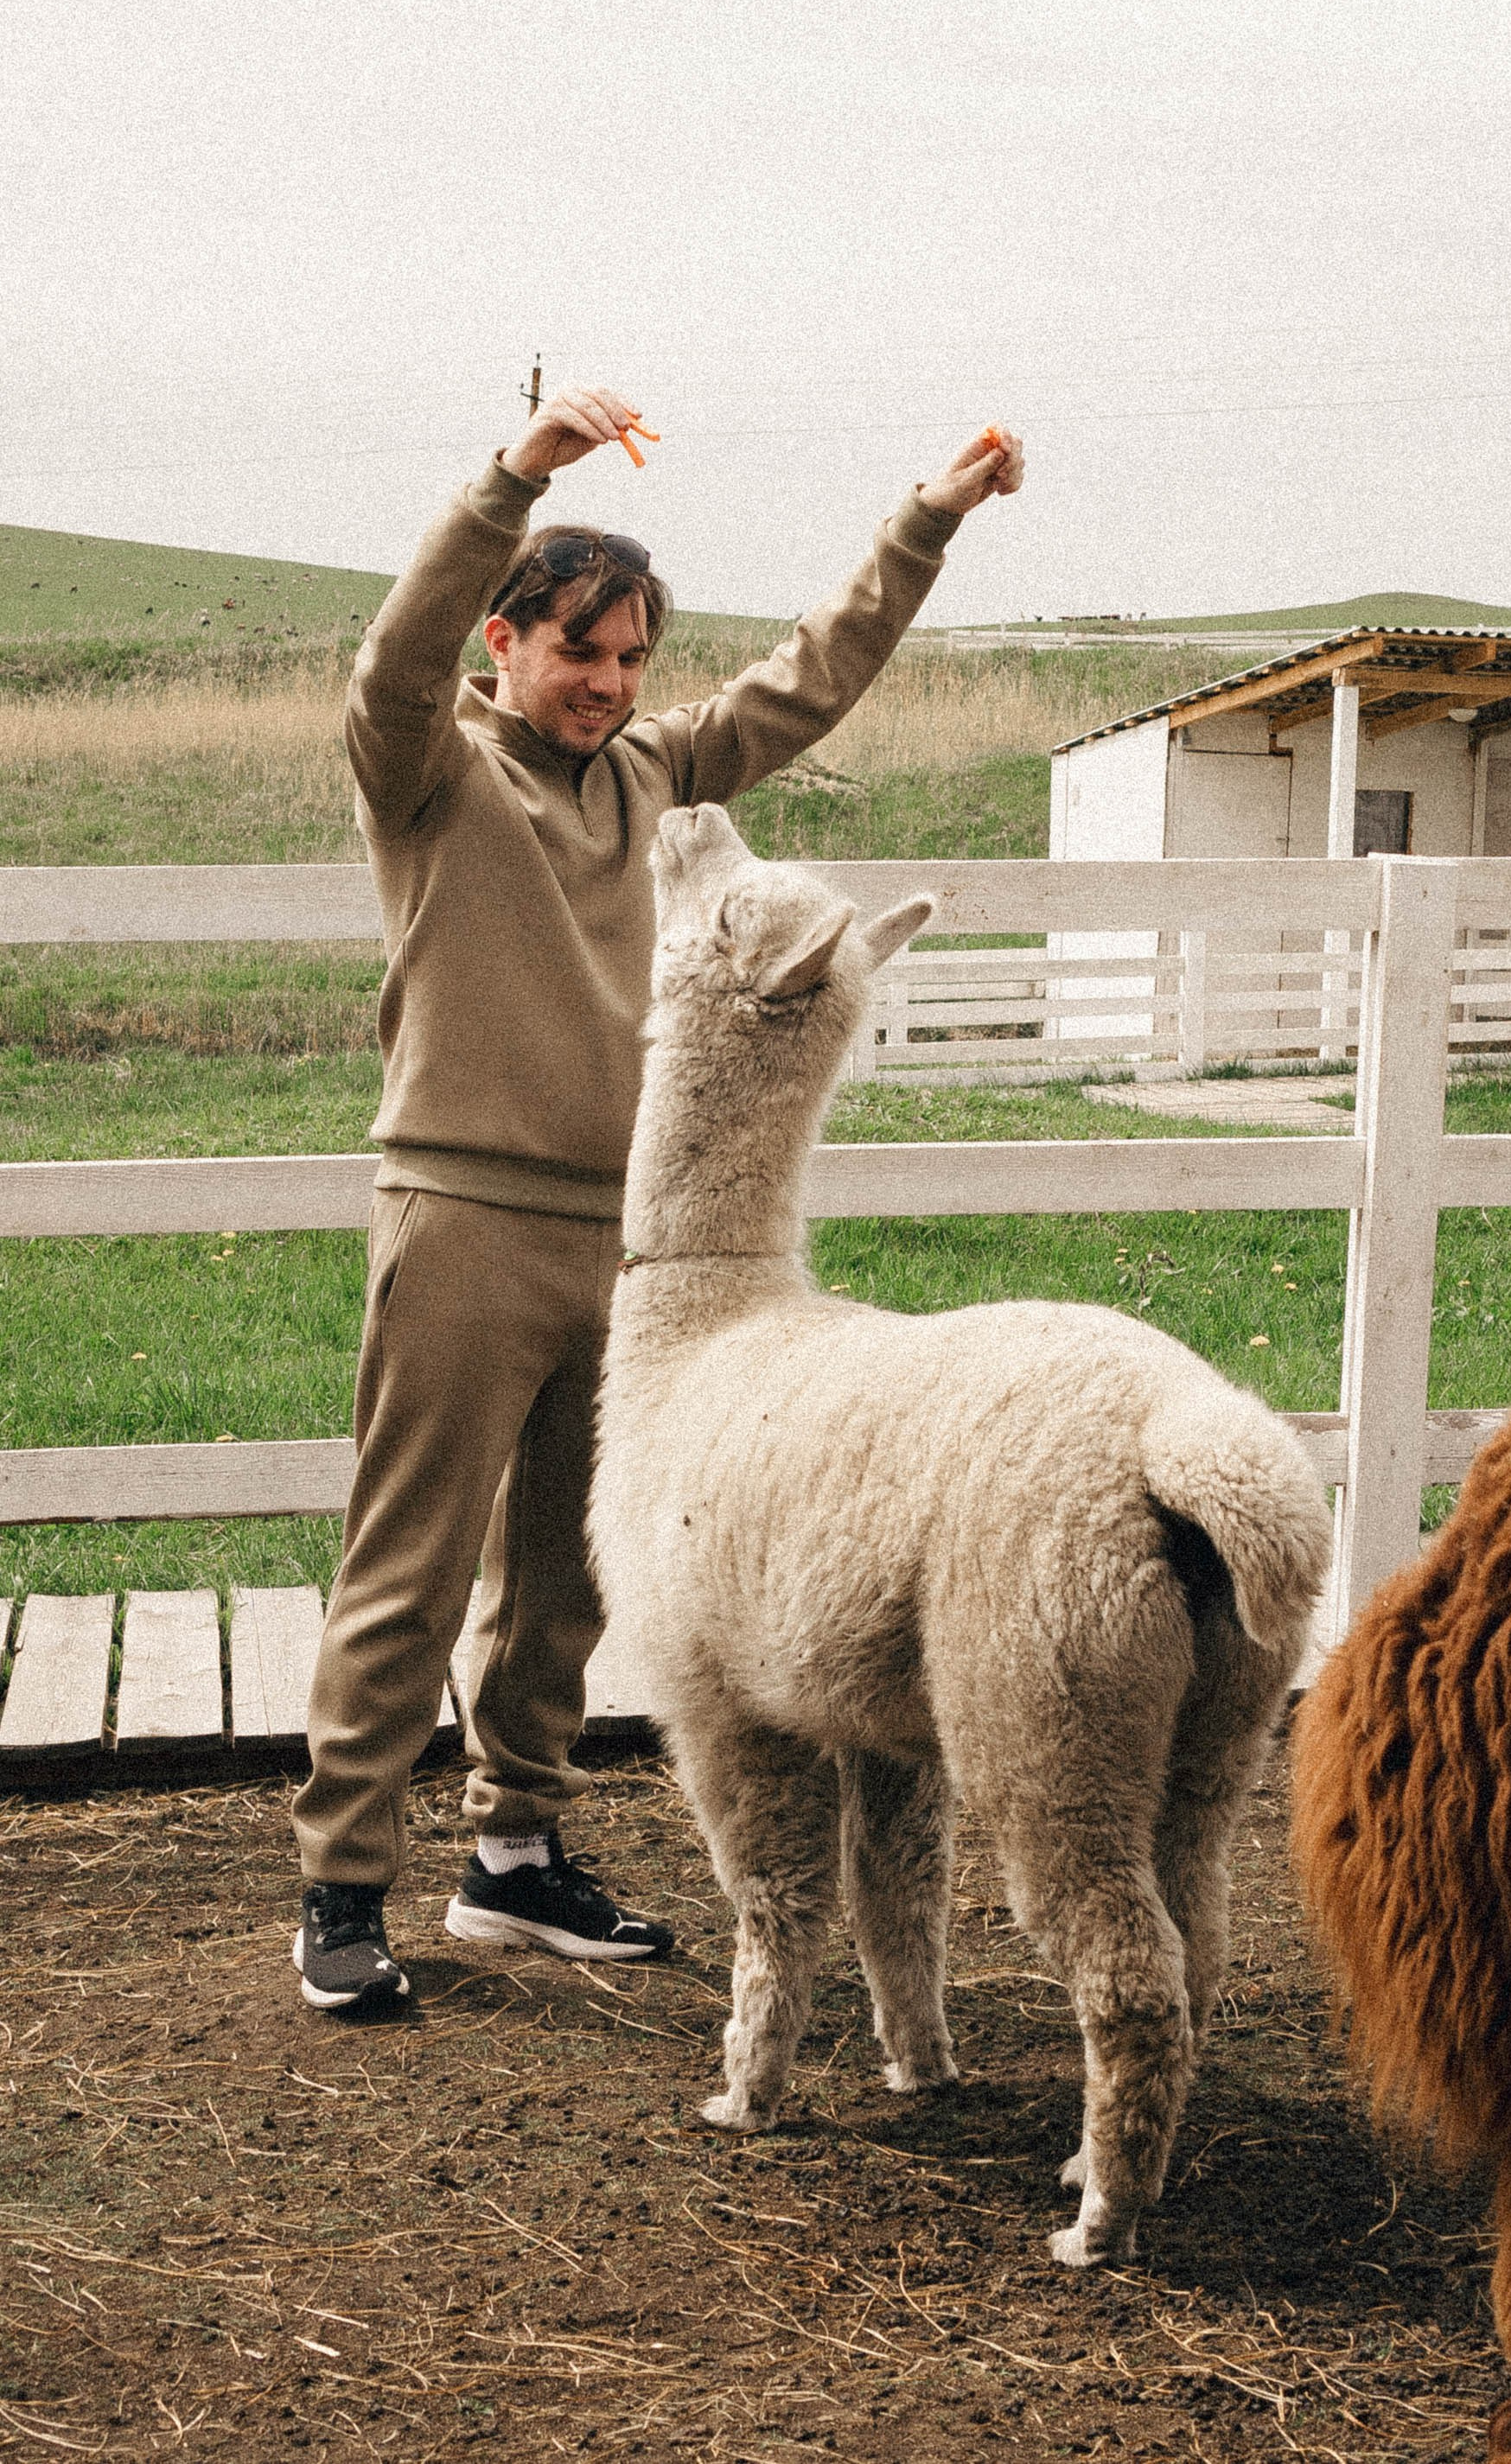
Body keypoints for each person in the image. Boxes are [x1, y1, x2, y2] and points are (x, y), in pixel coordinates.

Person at [290, 388, 1023, 2009]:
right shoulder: (424, 770)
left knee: (566, 1574)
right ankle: (343, 1883)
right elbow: (389, 659)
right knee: (409, 1567)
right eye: (578, 653)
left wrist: (927, 520)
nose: (606, 686)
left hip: (627, 1248)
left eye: (628, 659)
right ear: (507, 645)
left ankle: (513, 1859)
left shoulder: (659, 774)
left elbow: (809, 681)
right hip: (463, 1221)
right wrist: (510, 478)